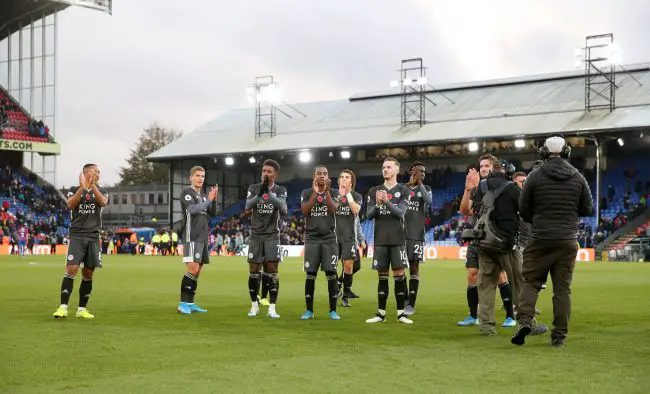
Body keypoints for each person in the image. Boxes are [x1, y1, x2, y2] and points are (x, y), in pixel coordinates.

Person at [512, 135, 593, 347]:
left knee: (531, 281)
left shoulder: (534, 177)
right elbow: (588, 209)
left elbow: (523, 209)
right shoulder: (578, 177)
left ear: (543, 153)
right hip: (567, 239)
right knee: (562, 289)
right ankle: (559, 336)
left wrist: (538, 220)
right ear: (566, 152)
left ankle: (524, 323)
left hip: (539, 237)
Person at [458, 155, 516, 328]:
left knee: (499, 275)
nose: (483, 168)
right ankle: (473, 315)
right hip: (477, 236)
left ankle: (510, 316)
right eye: (481, 166)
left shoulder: (499, 187)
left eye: (487, 166)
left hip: (495, 237)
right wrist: (468, 190)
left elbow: (491, 206)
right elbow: (464, 210)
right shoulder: (477, 187)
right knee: (472, 273)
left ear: (495, 168)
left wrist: (477, 187)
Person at [472, 161, 522, 336]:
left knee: (485, 286)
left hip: (485, 244)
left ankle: (486, 327)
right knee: (518, 284)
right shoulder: (513, 188)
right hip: (506, 245)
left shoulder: (481, 186)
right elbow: (525, 211)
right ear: (508, 172)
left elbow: (474, 211)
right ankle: (527, 323)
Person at [53, 164, 108, 319]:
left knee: (88, 273)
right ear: (86, 173)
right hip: (77, 235)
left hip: (93, 236)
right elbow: (70, 205)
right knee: (72, 269)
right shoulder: (73, 189)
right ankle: (63, 307)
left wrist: (92, 187)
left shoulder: (102, 190)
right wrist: (83, 188)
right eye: (96, 171)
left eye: (99, 171)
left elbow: (103, 202)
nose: (98, 174)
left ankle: (81, 309)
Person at [365, 157, 413, 324]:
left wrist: (386, 201)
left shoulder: (404, 190)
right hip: (380, 240)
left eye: (389, 167)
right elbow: (368, 215)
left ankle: (401, 314)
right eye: (383, 167)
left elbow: (400, 213)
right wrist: (378, 204)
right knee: (382, 276)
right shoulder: (374, 190)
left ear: (397, 170)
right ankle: (380, 313)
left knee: (399, 275)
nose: (385, 169)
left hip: (398, 239)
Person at [244, 159, 287, 319]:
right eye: (264, 171)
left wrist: (268, 193)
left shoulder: (280, 190)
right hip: (255, 236)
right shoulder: (253, 188)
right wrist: (260, 194)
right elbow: (247, 207)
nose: (266, 174)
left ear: (275, 174)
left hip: (272, 236)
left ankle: (272, 308)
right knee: (254, 271)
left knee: (273, 271)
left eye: (269, 172)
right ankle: (254, 305)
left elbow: (283, 209)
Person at [300, 165, 341, 320]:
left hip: (329, 239)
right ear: (314, 176)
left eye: (325, 173)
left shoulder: (335, 192)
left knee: (332, 274)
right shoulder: (306, 193)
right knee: (310, 274)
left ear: (328, 176)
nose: (322, 176)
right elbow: (305, 210)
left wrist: (327, 191)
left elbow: (332, 209)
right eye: (319, 174)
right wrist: (316, 193)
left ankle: (333, 310)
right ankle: (309, 310)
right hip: (312, 239)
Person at [177, 166, 218, 315]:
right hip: (191, 236)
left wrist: (214, 200)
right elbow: (193, 210)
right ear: (191, 177)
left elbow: (212, 213)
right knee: (192, 269)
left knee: (197, 271)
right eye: (198, 176)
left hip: (202, 238)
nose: (200, 178)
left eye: (202, 176)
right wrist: (209, 199)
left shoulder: (202, 196)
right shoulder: (187, 193)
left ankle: (190, 303)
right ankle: (182, 304)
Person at [403, 162, 432, 316]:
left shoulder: (426, 189)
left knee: (414, 269)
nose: (422, 173)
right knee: (399, 269)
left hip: (416, 235)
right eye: (419, 171)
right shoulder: (402, 189)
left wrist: (420, 183)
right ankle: (405, 298)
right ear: (412, 171)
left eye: (424, 172)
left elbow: (429, 201)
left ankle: (411, 305)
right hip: (400, 235)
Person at [334, 169, 363, 307]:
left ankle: (345, 295)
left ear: (351, 181)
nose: (344, 179)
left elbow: (355, 210)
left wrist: (347, 195)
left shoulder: (356, 196)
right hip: (333, 238)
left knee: (349, 265)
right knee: (332, 267)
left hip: (349, 237)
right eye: (342, 177)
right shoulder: (332, 195)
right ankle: (334, 290)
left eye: (347, 177)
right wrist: (339, 197)